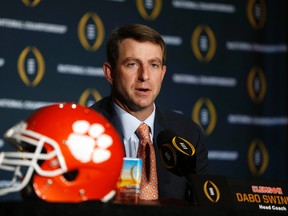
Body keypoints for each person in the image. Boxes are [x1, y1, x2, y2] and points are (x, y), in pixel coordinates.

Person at [90, 23, 209, 202]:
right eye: (132, 64)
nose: (144, 76)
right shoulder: (85, 131)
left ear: (162, 73)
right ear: (110, 73)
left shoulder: (188, 133)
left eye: (153, 65)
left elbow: (205, 204)